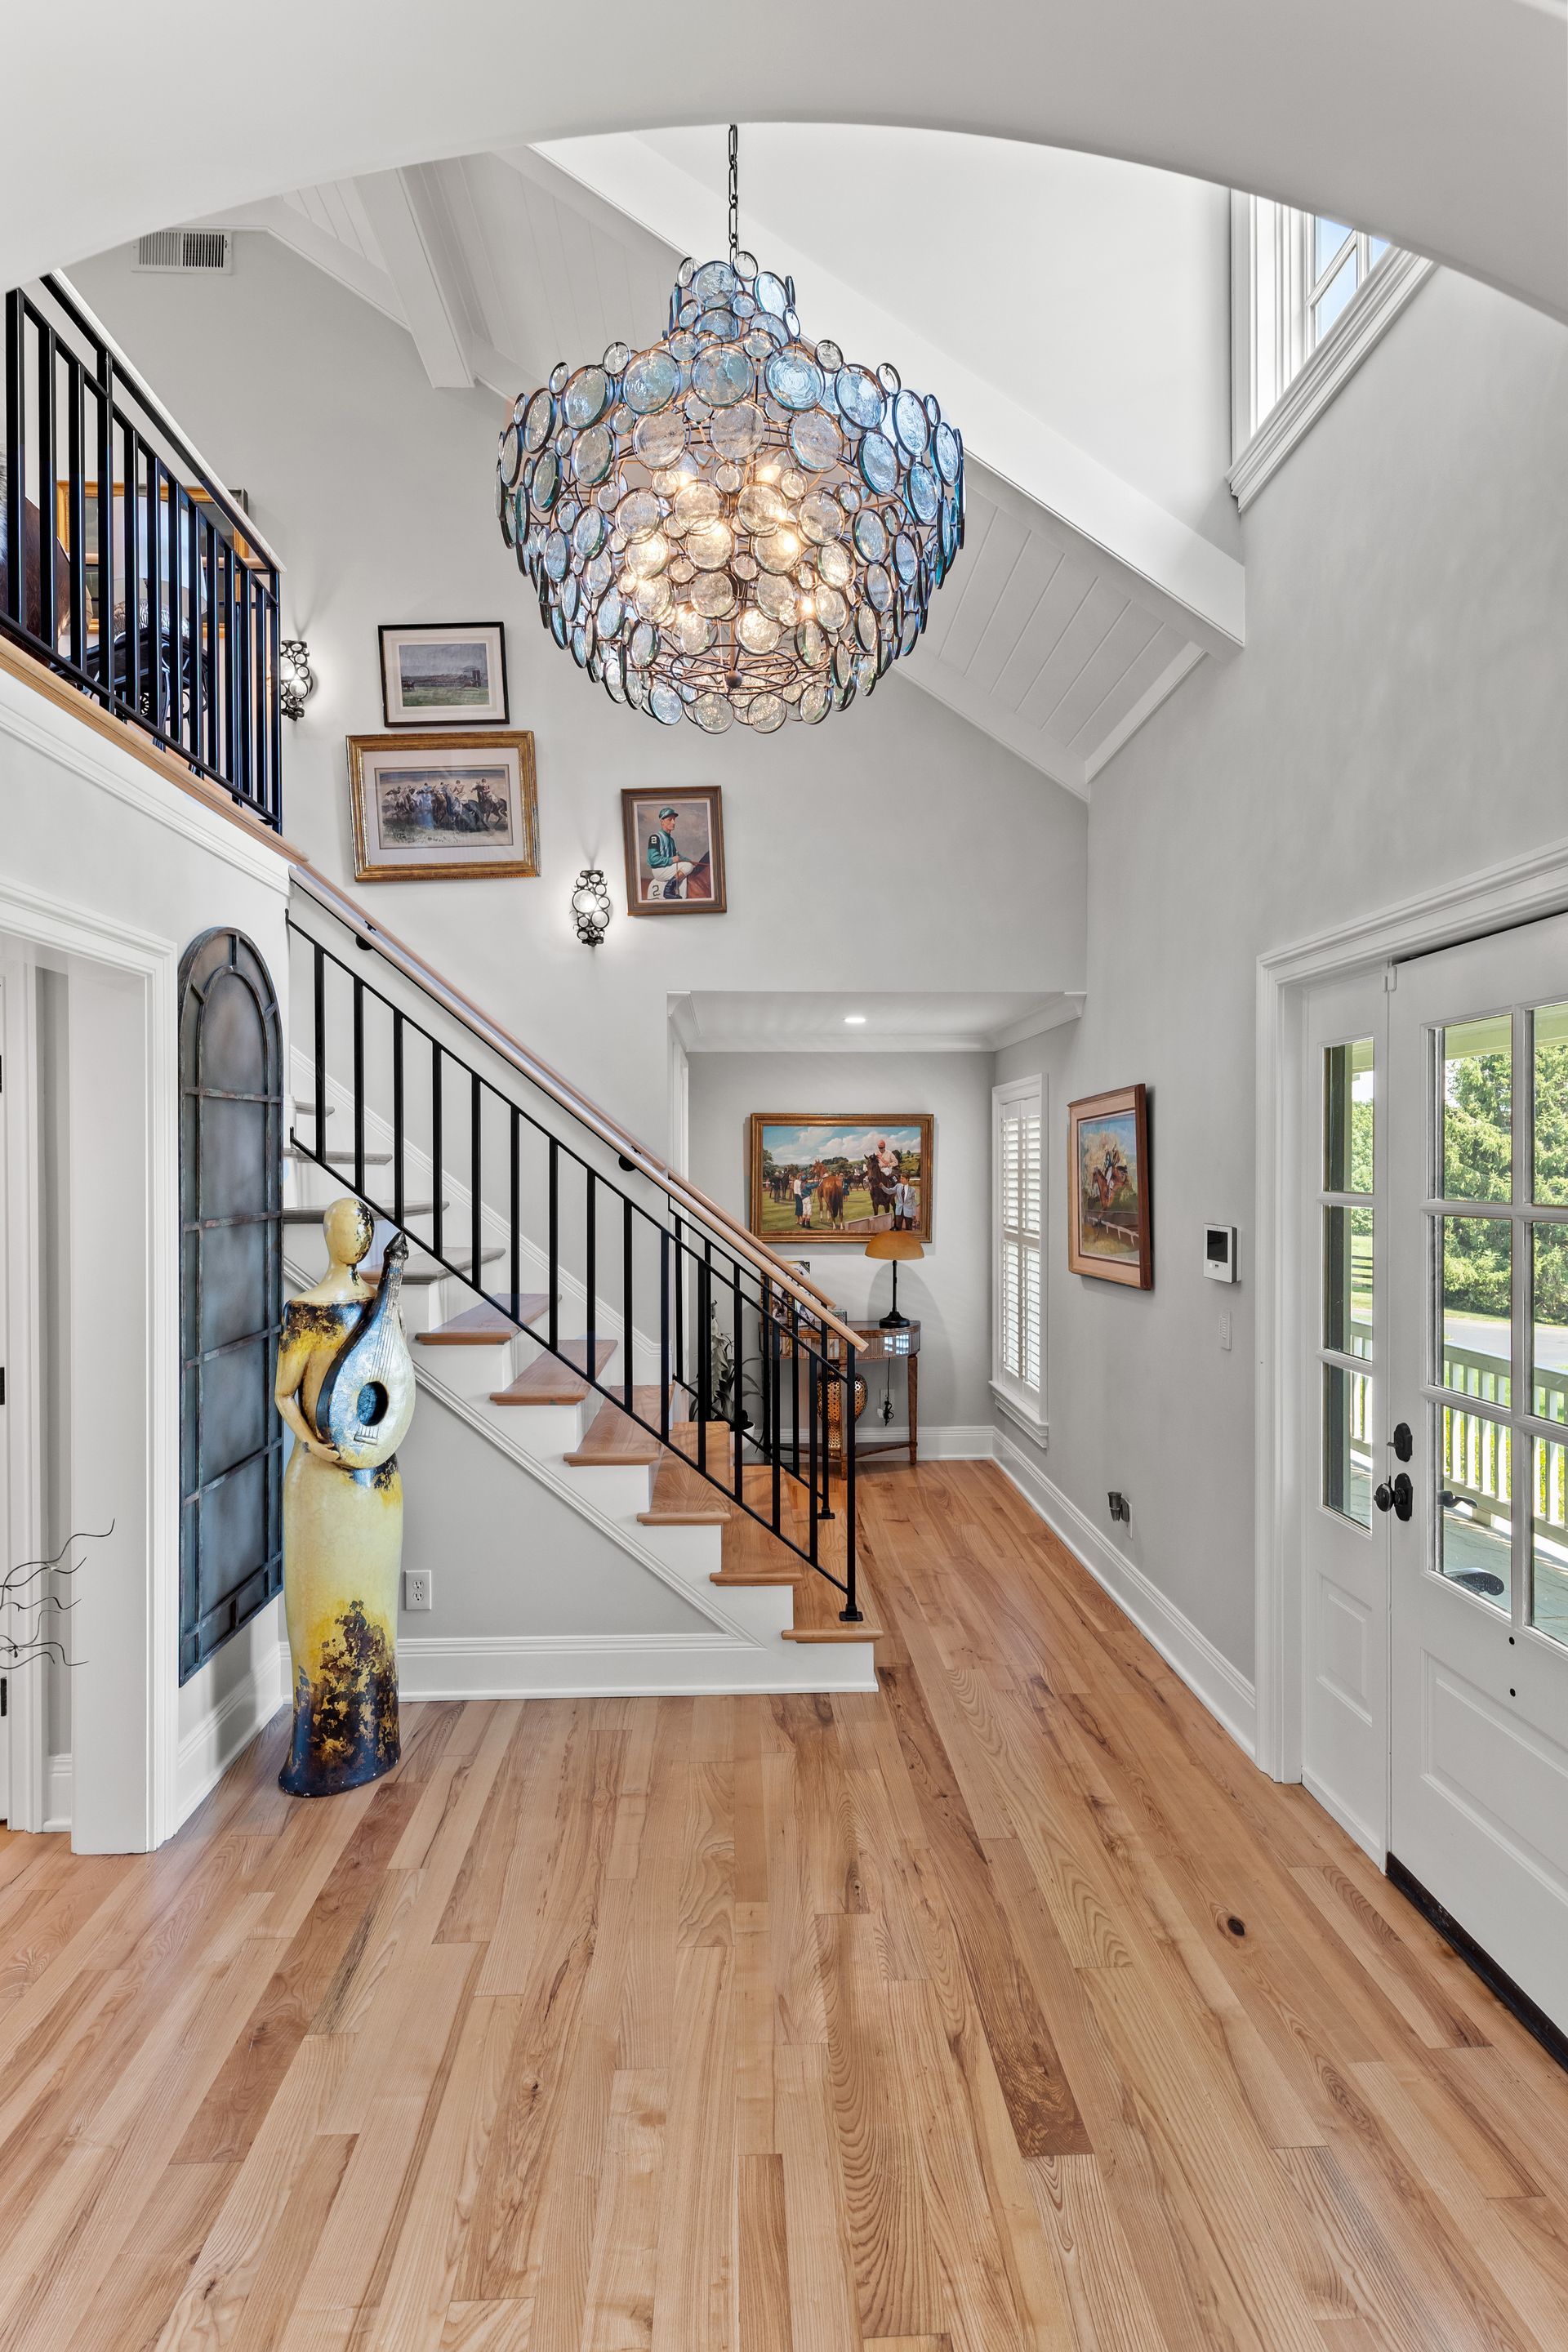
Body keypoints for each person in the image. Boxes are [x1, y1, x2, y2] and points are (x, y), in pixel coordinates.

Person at [644, 805, 693, 901]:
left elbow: (677, 856)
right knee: (688, 867)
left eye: (674, 820)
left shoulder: (671, 840)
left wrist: (690, 861)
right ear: (662, 822)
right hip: (659, 870)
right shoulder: (655, 837)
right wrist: (671, 860)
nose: (673, 823)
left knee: (690, 865)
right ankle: (668, 890)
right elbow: (653, 860)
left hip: (667, 868)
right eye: (670, 820)